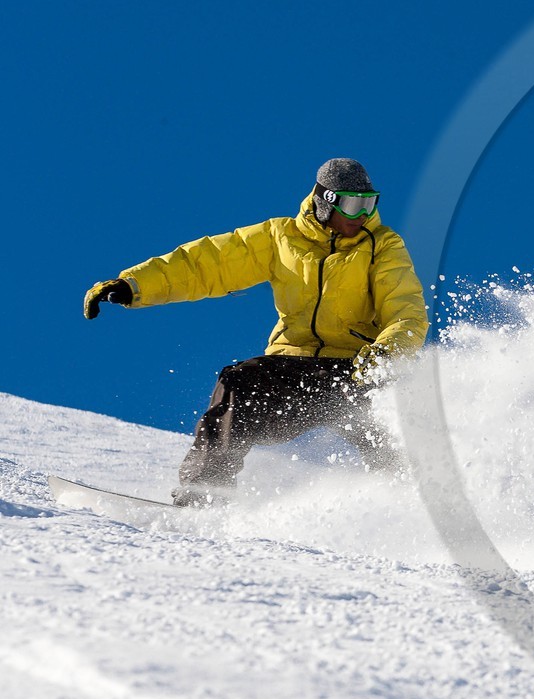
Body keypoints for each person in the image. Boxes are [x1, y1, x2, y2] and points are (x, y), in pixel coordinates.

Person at [83, 158, 429, 505]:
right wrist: (134, 284)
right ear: (326, 201)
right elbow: (210, 262)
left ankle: (415, 507)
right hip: (294, 369)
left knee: (388, 428)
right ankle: (205, 494)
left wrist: (387, 354)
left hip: (357, 369)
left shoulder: (383, 246)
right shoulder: (280, 238)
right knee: (237, 383)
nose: (361, 216)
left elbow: (406, 311)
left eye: (369, 204)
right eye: (354, 205)